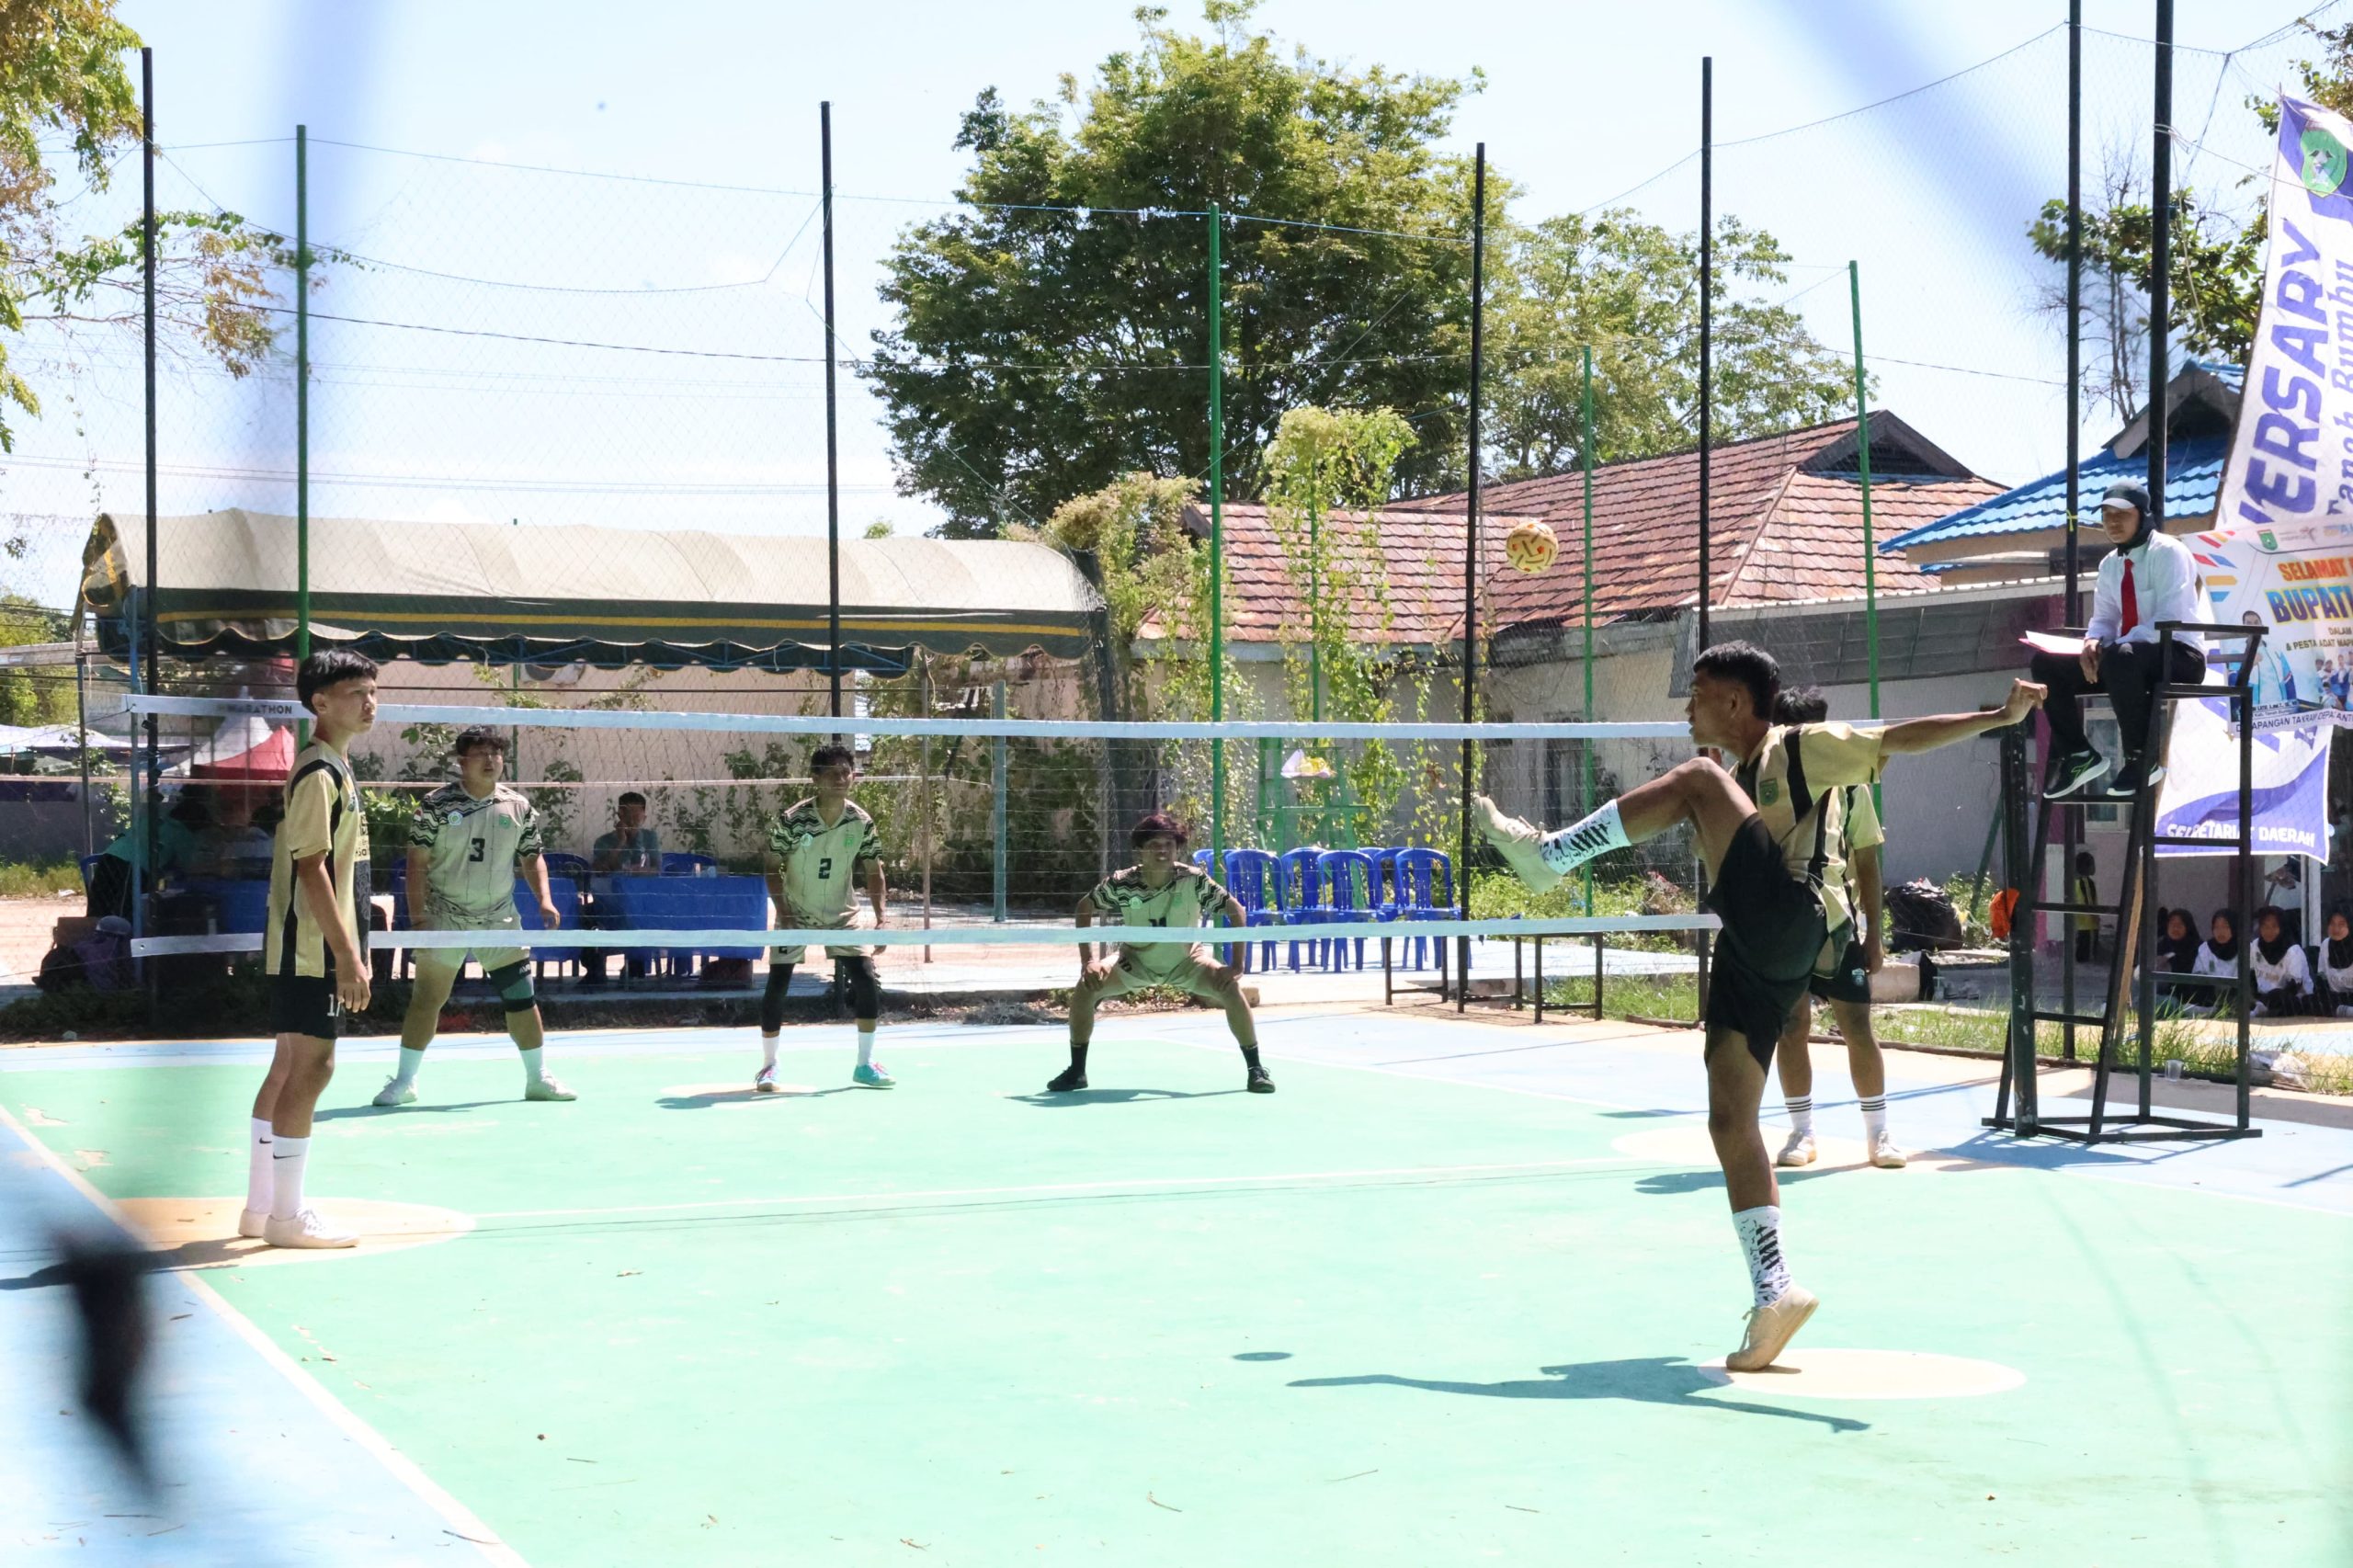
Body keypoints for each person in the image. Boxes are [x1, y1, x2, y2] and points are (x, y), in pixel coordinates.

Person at [1473, 641, 2043, 1371]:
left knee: (1696, 779)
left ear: (1736, 702)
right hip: (1751, 943)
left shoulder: (1798, 747)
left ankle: (1550, 854)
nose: (1687, 706)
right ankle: (1774, 1291)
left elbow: (1898, 737)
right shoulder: (1735, 780)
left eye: (1698, 692)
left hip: (1792, 914)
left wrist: (1999, 717)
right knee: (1729, 1117)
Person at [241, 649, 378, 1250]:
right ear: (320, 702)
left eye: (373, 691)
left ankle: (261, 1208)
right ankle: (287, 1217)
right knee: (314, 1068)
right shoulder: (319, 772)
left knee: (287, 1068)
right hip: (311, 950)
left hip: (304, 946)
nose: (369, 702)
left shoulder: (334, 767)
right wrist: (346, 956)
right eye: (355, 693)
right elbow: (311, 869)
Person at [377, 728, 577, 1108]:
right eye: (481, 753)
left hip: (498, 918)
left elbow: (532, 856)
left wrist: (545, 900)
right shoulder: (436, 805)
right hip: (445, 915)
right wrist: (418, 920)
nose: (490, 760)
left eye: (495, 754)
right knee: (427, 1000)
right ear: (462, 762)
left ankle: (538, 1078)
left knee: (521, 998)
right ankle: (404, 1082)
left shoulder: (518, 806)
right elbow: (416, 863)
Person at [1765, 689, 1904, 1172]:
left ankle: (1878, 1132)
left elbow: (1866, 857)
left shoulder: (1850, 783)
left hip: (1836, 921)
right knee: (1791, 1026)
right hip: (1782, 923)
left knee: (1857, 1026)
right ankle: (1801, 1131)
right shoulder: (1764, 777)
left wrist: (1874, 933)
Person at [1052, 812, 1274, 1096]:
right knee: (1087, 988)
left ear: (1177, 848)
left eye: (1169, 844)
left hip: (1188, 963)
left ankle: (1256, 1070)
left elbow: (1236, 910)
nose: (1163, 850)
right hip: (1134, 962)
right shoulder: (1122, 882)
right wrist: (1089, 962)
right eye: (1154, 845)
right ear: (1140, 850)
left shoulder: (1193, 880)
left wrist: (1237, 965)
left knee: (1230, 989)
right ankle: (1077, 1072)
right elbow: (1085, 907)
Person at [2030, 482, 2208, 801]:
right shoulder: (2110, 563)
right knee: (2046, 662)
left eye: (2122, 514)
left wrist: (2111, 648)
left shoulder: (2169, 552)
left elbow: (2170, 617)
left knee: (2121, 656)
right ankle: (2079, 754)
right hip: (2125, 660)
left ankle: (2142, 760)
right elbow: (2104, 618)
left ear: (2143, 515)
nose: (2112, 522)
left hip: (2180, 656)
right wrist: (2093, 643)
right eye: (2106, 515)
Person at [756, 744, 892, 1091]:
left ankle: (865, 1064)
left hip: (842, 915)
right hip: (795, 912)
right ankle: (769, 1066)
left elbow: (874, 870)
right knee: (778, 983)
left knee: (865, 979)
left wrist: (881, 919)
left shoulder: (860, 821)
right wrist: (784, 911)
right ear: (815, 779)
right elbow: (772, 867)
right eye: (833, 773)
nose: (842, 779)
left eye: (846, 772)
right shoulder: (793, 819)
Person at [583, 791, 662, 984]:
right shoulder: (604, 841)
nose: (632, 820)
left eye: (637, 816)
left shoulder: (649, 838)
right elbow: (601, 869)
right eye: (628, 815)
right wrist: (621, 842)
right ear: (619, 815)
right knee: (582, 915)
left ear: (644, 817)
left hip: (643, 902)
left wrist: (639, 861)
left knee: (648, 914)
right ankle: (595, 969)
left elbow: (656, 869)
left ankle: (636, 965)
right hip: (609, 901)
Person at [2248, 904, 2311, 1018]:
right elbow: (2252, 975)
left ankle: (2261, 1010)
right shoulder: (2255, 946)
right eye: (2265, 926)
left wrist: (2270, 998)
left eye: (2274, 926)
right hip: (2262, 995)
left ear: (2282, 927)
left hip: (2291, 998)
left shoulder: (2293, 951)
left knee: (2279, 995)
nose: (2269, 931)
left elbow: (2294, 987)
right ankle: (2260, 1007)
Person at [2312, 905, 2353, 1017]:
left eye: (2341, 924)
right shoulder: (2326, 945)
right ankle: (2346, 1011)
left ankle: (2341, 1010)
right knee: (2311, 1001)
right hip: (2335, 998)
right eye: (2332, 924)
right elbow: (2322, 978)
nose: (2336, 929)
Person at [2072, 850, 2101, 965]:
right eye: (2092, 864)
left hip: (2080, 923)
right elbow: (2089, 901)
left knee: (2081, 948)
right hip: (2089, 923)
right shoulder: (2086, 882)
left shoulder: (2075, 882)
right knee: (2088, 953)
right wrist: (2095, 917)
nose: (2094, 867)